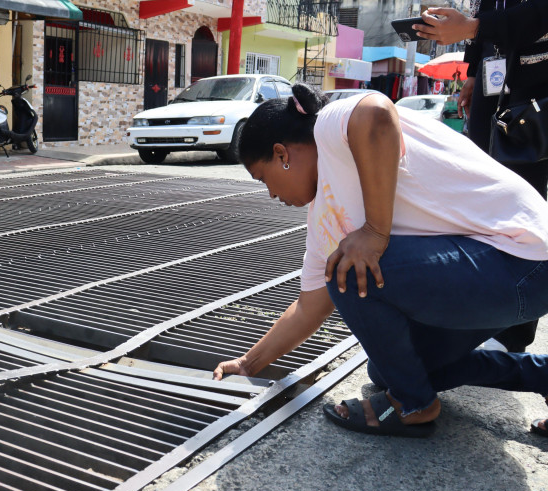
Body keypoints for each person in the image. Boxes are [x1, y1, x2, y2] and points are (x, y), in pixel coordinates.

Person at [212, 84, 548, 438]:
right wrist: (249, 364)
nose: (272, 194)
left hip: (524, 259)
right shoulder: (324, 218)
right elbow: (309, 307)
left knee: (349, 267)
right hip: (504, 278)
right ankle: (538, 375)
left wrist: (374, 232)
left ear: (282, 154)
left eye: (264, 179)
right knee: (392, 368)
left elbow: (375, 112)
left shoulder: (328, 129)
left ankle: (412, 403)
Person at [414, 4, 548, 356]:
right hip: (494, 79)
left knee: (524, 205)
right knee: (477, 197)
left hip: (536, 86)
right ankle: (475, 317)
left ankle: (513, 335)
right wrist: (473, 69)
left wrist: (474, 28)